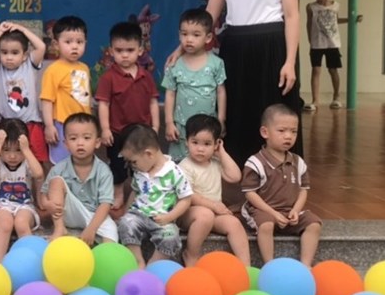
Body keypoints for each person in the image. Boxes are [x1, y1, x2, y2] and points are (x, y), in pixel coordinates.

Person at [187, 0, 302, 166]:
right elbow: (210, 14)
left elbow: (292, 15)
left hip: (272, 45)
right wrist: (185, 46)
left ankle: (278, 174)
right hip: (234, 46)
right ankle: (239, 173)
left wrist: (290, 61)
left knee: (272, 112)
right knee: (237, 110)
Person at [240, 104, 322, 265]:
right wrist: (272, 213)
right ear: (265, 132)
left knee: (314, 224)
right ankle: (269, 264)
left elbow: (303, 190)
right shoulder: (255, 162)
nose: (288, 136)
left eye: (294, 131)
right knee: (266, 225)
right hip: (263, 211)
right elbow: (250, 193)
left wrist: (296, 210)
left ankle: (306, 265)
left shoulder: (298, 162)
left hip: (289, 212)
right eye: (282, 131)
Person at [176, 115, 251, 265]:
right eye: (195, 142)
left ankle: (245, 265)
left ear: (216, 144)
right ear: (186, 142)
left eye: (207, 144)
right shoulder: (185, 166)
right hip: (188, 213)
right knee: (205, 215)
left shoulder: (216, 163)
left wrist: (222, 153)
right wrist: (214, 205)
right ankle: (191, 254)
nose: (200, 149)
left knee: (234, 224)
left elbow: (235, 176)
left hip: (214, 213)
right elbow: (188, 195)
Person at [96, 21, 160, 197]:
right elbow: (103, 104)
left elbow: (153, 102)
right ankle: (118, 194)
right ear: (111, 51)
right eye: (119, 50)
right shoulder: (108, 78)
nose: (124, 55)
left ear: (140, 50)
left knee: (142, 164)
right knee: (117, 166)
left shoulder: (146, 76)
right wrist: (105, 129)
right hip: (117, 132)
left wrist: (155, 127)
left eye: (130, 50)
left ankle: (139, 195)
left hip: (142, 131)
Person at [116, 124, 194, 267]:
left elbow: (186, 199)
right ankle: (138, 260)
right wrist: (126, 213)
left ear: (149, 154)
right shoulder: (139, 172)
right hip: (138, 216)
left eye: (133, 161)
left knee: (170, 236)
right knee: (125, 223)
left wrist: (169, 217)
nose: (132, 166)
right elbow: (135, 192)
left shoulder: (174, 172)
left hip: (162, 220)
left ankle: (154, 264)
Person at [41, 112, 117, 244]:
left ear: (97, 142)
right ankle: (59, 229)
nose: (80, 143)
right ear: (66, 144)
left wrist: (91, 229)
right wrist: (47, 204)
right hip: (67, 213)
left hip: (94, 214)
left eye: (86, 138)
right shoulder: (59, 168)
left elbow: (105, 203)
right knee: (56, 181)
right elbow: (43, 194)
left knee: (111, 237)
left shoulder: (103, 171)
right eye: (73, 138)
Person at [162, 8, 226, 161]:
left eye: (196, 35)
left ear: (208, 37)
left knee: (207, 163)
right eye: (184, 34)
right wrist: (169, 122)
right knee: (181, 165)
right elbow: (170, 94)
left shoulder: (216, 63)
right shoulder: (174, 64)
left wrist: (221, 119)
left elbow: (221, 92)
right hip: (181, 127)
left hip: (208, 127)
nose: (189, 39)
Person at [0, 20, 49, 166]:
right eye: (4, 52)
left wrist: (22, 29)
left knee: (37, 160)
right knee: (9, 160)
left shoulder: (29, 65)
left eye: (15, 53)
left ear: (24, 55)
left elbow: (41, 46)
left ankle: (39, 182)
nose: (9, 57)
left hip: (31, 122)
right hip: (8, 124)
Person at [0, 118, 43, 261]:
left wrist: (26, 150)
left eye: (18, 150)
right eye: (6, 150)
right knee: (5, 224)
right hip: (1, 206)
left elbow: (39, 174)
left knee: (21, 223)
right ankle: (0, 262)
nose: (12, 156)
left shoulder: (27, 162)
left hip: (25, 206)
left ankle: (31, 260)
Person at [40, 16, 92, 165]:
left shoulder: (84, 68)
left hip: (83, 124)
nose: (74, 46)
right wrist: (49, 126)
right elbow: (47, 100)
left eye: (79, 42)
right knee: (61, 163)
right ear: (56, 44)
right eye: (68, 42)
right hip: (62, 125)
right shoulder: (53, 70)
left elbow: (86, 99)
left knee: (81, 161)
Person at [305, 0, 361, 111]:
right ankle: (315, 100)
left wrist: (351, 19)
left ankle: (336, 97)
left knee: (333, 70)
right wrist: (310, 40)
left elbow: (336, 20)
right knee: (316, 70)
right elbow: (309, 24)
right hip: (317, 44)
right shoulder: (311, 7)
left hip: (332, 43)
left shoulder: (335, 6)